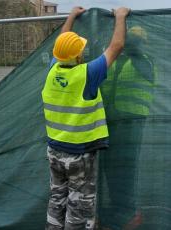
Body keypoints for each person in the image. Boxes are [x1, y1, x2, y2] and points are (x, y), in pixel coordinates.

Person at [41, 6, 130, 230]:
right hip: (79, 155)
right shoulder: (87, 74)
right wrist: (120, 16)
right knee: (79, 205)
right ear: (78, 55)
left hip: (54, 150)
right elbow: (116, 47)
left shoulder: (53, 69)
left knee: (57, 197)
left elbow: (61, 42)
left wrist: (70, 16)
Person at [100, 26, 155, 230]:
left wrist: (129, 45)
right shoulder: (113, 61)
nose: (133, 42)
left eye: (136, 39)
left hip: (131, 125)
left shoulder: (144, 62)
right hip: (108, 123)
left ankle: (128, 212)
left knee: (125, 169)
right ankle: (117, 209)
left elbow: (144, 69)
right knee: (109, 168)